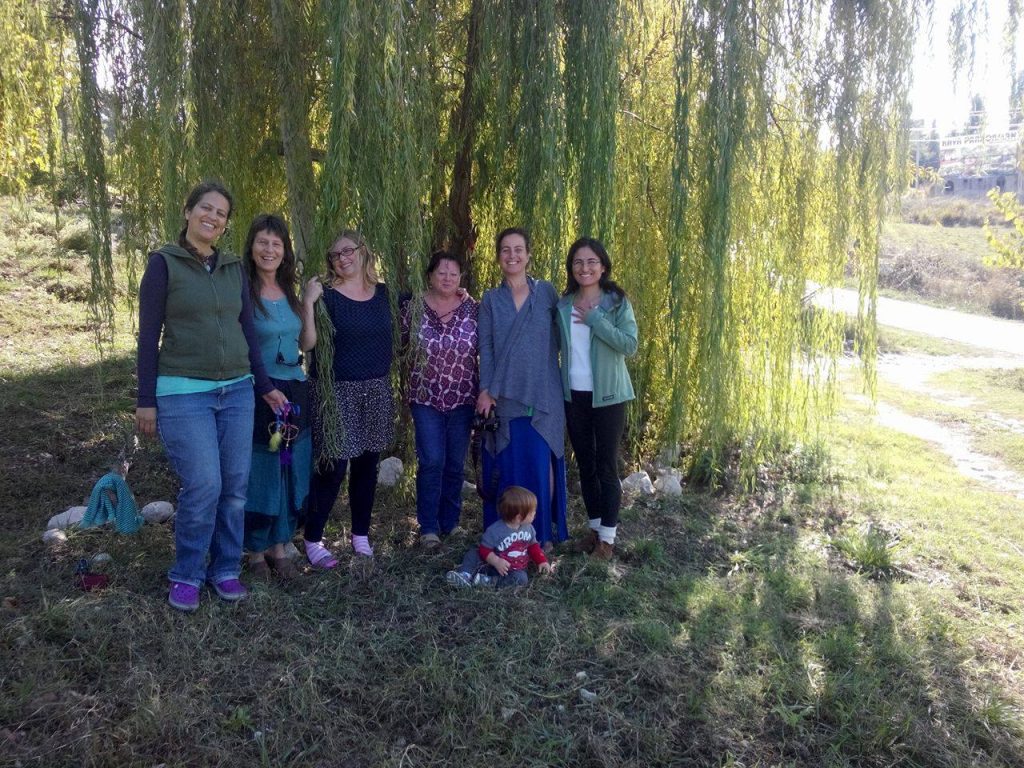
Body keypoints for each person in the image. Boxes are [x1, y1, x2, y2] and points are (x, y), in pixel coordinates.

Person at [136, 180, 287, 612]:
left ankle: (224, 569)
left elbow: (248, 334)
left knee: (235, 487)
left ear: (224, 224)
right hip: (183, 394)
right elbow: (148, 338)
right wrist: (145, 398)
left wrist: (265, 386)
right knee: (204, 483)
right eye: (206, 208)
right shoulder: (163, 265)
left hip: (237, 391)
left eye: (221, 213)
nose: (213, 217)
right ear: (188, 212)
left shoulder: (233, 267)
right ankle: (186, 572)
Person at [304, 230, 394, 566]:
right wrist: (308, 303)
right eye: (335, 255)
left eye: (348, 251)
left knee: (367, 466)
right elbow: (308, 344)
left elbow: (425, 303)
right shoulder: (326, 297)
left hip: (376, 389)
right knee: (333, 466)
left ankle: (360, 536)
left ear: (363, 251)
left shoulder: (385, 294)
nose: (342, 259)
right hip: (338, 390)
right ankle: (313, 539)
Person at [476, 228, 568, 549]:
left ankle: (541, 536)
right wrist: (485, 389)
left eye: (518, 249)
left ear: (529, 254)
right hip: (504, 396)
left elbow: (565, 335)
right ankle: (507, 539)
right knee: (510, 466)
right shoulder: (490, 299)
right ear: (498, 256)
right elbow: (485, 348)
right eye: (505, 250)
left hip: (544, 394)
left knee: (541, 466)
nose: (512, 255)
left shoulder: (546, 293)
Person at [241, 214, 320, 579]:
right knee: (264, 467)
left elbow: (306, 343)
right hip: (261, 390)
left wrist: (308, 303)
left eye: (276, 243)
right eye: (262, 242)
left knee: (290, 465)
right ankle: (256, 551)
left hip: (294, 388)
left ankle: (280, 544)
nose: (269, 250)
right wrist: (263, 387)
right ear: (252, 247)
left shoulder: (289, 291)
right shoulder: (242, 288)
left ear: (284, 250)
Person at [555, 237, 638, 560]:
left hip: (609, 396)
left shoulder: (616, 303)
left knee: (606, 466)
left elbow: (629, 345)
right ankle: (593, 530)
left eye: (591, 262)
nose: (584, 268)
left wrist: (596, 320)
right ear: (571, 268)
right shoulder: (563, 305)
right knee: (585, 465)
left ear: (603, 267)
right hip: (573, 395)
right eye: (578, 262)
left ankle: (608, 539)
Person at [401, 250, 478, 548]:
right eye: (441, 272)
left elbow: (487, 348)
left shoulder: (473, 309)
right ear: (430, 276)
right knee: (432, 460)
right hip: (425, 397)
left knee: (455, 464)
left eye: (453, 273)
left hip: (463, 397)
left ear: (460, 278)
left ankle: (451, 522)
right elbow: (401, 348)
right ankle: (429, 526)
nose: (447, 278)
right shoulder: (413, 308)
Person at [445, 486, 552, 588]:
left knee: (522, 579)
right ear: (519, 517)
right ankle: (465, 574)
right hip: (491, 564)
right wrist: (496, 561)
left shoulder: (529, 529)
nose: (535, 513)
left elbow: (533, 546)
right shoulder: (495, 530)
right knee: (473, 553)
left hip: (513, 570)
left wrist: (541, 560)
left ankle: (488, 581)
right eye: (532, 512)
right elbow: (484, 550)